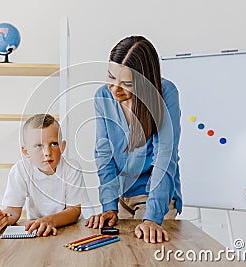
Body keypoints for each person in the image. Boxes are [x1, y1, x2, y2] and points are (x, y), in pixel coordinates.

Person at [86, 36, 182, 243]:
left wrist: (153, 217)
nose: (114, 89)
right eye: (111, 77)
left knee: (146, 252)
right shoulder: (102, 96)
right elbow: (104, 155)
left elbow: (165, 156)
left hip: (153, 197)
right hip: (121, 195)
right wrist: (109, 206)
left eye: (126, 83)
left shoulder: (166, 94)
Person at [0, 114, 87, 236]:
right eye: (38, 146)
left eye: (54, 144)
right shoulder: (20, 170)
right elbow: (13, 211)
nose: (47, 153)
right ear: (26, 152)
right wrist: (2, 219)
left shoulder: (72, 169)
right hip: (36, 230)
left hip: (69, 230)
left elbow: (74, 211)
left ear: (63, 146)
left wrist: (48, 221)